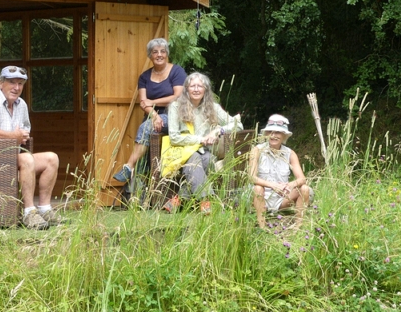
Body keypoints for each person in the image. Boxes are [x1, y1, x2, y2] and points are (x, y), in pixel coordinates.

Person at [0, 65, 60, 229]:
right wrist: (15, 136)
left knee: (52, 158)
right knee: (27, 158)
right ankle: (29, 213)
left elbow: (25, 129)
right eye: (12, 82)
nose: (16, 88)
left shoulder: (21, 105)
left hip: (12, 158)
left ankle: (44, 209)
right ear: (1, 83)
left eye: (20, 84)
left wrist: (23, 135)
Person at [165, 72, 243, 213]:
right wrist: (200, 139)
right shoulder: (175, 106)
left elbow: (238, 125)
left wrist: (218, 131)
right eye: (192, 86)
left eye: (199, 86)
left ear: (205, 89)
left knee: (207, 160)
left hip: (205, 152)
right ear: (186, 89)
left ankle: (178, 199)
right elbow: (174, 138)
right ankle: (206, 201)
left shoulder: (213, 107)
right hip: (183, 151)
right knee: (195, 158)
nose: (196, 89)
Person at [112, 38, 186, 184]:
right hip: (152, 117)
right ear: (150, 55)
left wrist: (153, 102)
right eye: (155, 52)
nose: (159, 55)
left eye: (163, 51)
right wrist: (154, 115)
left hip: (173, 116)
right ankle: (140, 190)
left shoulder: (177, 71)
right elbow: (143, 102)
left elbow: (178, 96)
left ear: (167, 54)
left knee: (145, 127)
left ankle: (128, 166)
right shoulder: (144, 77)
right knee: (146, 130)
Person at [248, 114, 310, 228]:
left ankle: (298, 226)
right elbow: (251, 177)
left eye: (278, 132)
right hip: (262, 197)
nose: (273, 135)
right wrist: (273, 185)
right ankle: (262, 226)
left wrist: (290, 185)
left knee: (305, 189)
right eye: (270, 132)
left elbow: (302, 179)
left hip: (282, 199)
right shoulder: (257, 150)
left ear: (284, 135)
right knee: (257, 188)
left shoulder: (290, 153)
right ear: (266, 134)